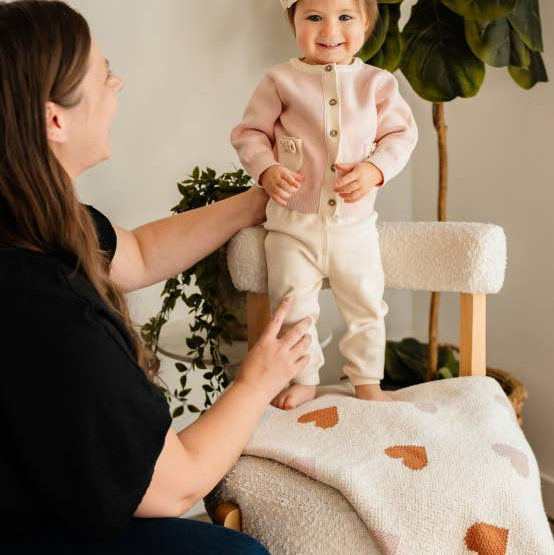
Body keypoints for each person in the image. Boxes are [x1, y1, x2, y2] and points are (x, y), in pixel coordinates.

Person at [0, 1, 311, 554]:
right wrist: (257, 382)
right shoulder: (56, 312)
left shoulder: (27, 220)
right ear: (55, 120)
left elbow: (139, 254)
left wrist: (257, 200)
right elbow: (175, 486)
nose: (117, 84)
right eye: (103, 75)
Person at [231, 0, 418, 409]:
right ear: (293, 22)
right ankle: (303, 379)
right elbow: (250, 133)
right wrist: (266, 168)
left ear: (366, 25)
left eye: (345, 17)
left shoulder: (377, 83)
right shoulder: (280, 81)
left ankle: (366, 380)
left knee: (367, 304)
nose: (330, 29)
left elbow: (401, 136)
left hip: (354, 227)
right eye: (314, 17)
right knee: (292, 305)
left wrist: (375, 170)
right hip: (291, 227)